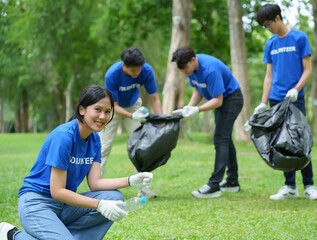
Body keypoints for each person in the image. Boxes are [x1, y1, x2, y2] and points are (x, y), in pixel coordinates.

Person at [0, 85, 153, 240]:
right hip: (37, 204)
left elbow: (96, 183)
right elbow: (57, 191)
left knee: (115, 198)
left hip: (64, 206)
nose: (103, 116)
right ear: (82, 110)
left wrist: (130, 180)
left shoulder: (94, 139)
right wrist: (99, 204)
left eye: (107, 111)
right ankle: (12, 235)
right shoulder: (64, 137)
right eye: (98, 109)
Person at [255, 4, 317, 200]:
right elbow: (269, 76)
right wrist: (263, 101)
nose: (267, 29)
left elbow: (307, 70)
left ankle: (309, 186)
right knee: (281, 142)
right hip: (276, 99)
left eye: (268, 24)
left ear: (277, 18)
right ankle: (289, 186)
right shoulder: (270, 44)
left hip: (295, 98)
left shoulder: (300, 38)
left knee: (299, 140)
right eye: (264, 26)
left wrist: (296, 89)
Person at [172, 46, 243, 199]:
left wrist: (197, 110)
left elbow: (218, 100)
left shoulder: (210, 69)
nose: (184, 72)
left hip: (232, 99)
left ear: (193, 59)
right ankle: (232, 181)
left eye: (185, 68)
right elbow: (198, 90)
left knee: (220, 139)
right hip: (222, 101)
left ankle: (214, 185)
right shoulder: (192, 70)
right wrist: (189, 107)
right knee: (225, 139)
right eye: (181, 69)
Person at [99, 47, 162, 198]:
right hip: (111, 108)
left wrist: (160, 119)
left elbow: (154, 98)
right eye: (133, 70)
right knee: (103, 148)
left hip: (133, 105)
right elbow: (113, 105)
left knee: (142, 148)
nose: (137, 73)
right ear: (124, 66)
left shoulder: (146, 70)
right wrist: (131, 115)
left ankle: (144, 189)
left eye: (139, 69)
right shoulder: (112, 75)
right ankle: (97, 188)